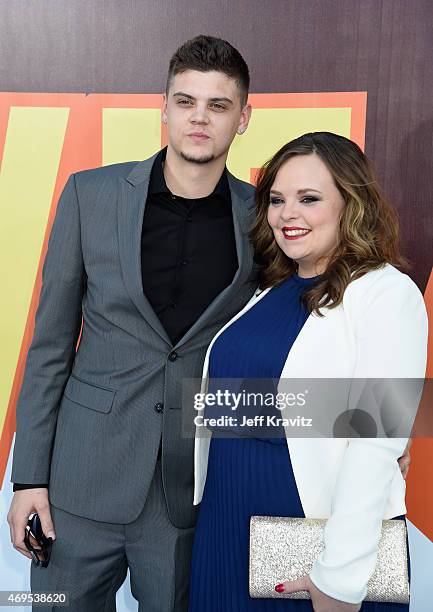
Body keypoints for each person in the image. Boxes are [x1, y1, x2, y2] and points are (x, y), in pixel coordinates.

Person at [7, 35, 256, 611]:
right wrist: (28, 481)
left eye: (218, 106)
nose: (200, 118)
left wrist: (377, 428)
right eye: (186, 101)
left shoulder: (262, 218)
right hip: (79, 481)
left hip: (188, 491)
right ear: (163, 107)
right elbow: (49, 348)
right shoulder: (89, 195)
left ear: (243, 118)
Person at [190, 132, 427, 611]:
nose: (287, 215)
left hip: (313, 536)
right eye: (277, 199)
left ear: (351, 205)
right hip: (227, 520)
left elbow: (375, 438)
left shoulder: (386, 292)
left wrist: (339, 578)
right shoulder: (269, 288)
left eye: (309, 199)